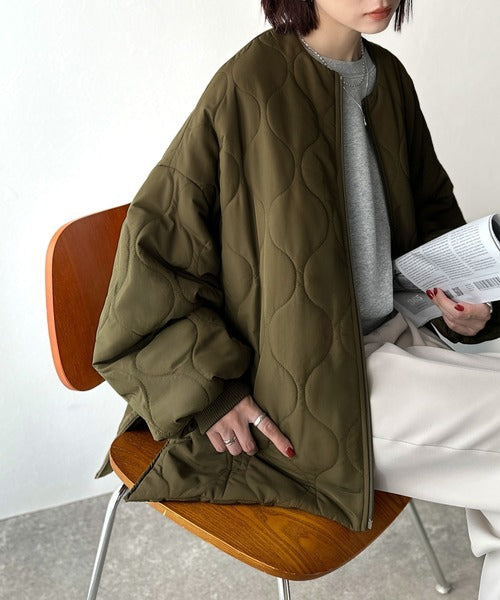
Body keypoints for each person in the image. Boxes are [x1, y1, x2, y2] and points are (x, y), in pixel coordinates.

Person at [92, 2, 500, 597]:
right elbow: (153, 254)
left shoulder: (388, 78)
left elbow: (433, 219)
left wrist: (466, 304)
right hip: (310, 389)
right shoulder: (248, 84)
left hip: (400, 334)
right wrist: (213, 391)